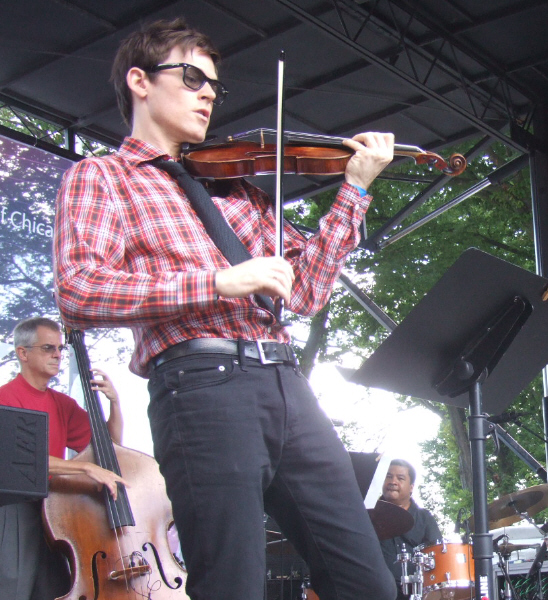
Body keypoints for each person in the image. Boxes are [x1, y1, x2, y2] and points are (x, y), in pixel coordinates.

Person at [53, 18, 397, 600]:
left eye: (214, 85)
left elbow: (306, 292)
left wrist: (355, 191)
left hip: (287, 383)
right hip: (201, 386)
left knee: (368, 583)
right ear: (140, 80)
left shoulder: (239, 188)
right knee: (233, 584)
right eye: (191, 78)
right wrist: (216, 282)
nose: (208, 93)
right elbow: (79, 291)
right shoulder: (102, 177)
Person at [0, 317, 125, 600]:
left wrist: (114, 403)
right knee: (12, 589)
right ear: (23, 353)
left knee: (54, 591)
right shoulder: (4, 398)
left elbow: (111, 446)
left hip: (54, 512)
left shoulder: (62, 404)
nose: (57, 354)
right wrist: (84, 466)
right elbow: (18, 460)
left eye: (59, 349)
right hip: (15, 509)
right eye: (48, 348)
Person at [378, 459, 442, 600]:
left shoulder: (424, 518)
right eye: (388, 476)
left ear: (411, 486)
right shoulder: (368, 514)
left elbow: (437, 556)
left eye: (400, 478)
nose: (393, 481)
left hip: (415, 594)